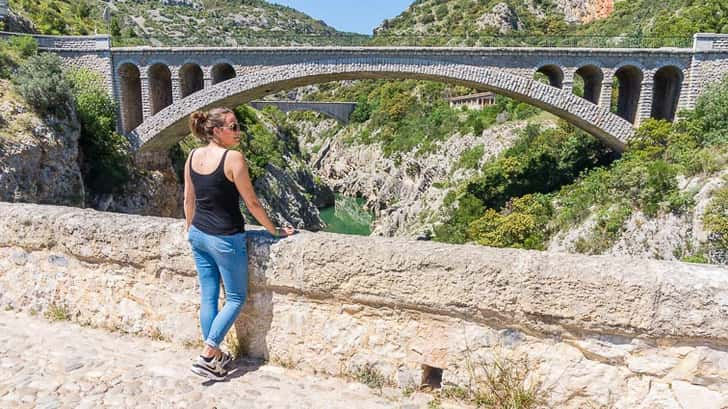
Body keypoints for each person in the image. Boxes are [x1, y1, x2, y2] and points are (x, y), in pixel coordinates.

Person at [184, 107, 295, 380]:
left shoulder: (192, 156)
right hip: (225, 237)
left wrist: (191, 231)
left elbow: (189, 200)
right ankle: (209, 354)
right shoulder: (233, 158)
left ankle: (217, 357)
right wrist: (275, 231)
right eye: (232, 127)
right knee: (235, 298)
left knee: (209, 296)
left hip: (199, 235)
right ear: (216, 130)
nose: (238, 131)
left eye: (237, 125)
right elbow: (252, 203)